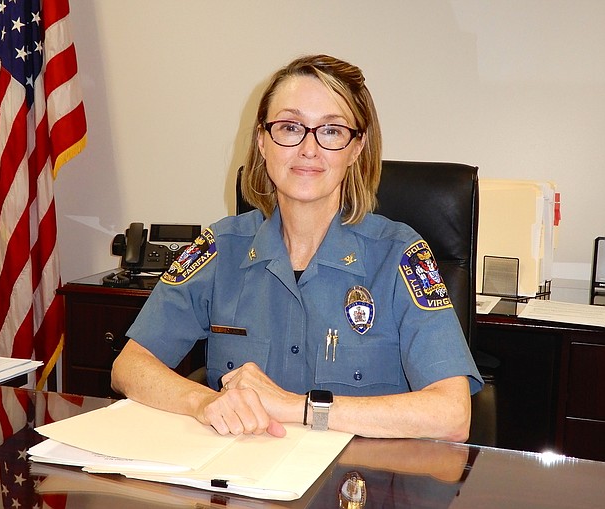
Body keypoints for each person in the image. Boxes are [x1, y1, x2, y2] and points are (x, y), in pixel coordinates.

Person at [111, 54, 483, 441]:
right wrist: (203, 403)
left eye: (332, 131)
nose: (308, 149)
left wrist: (298, 407)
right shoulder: (220, 248)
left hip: (358, 488)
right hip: (245, 483)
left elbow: (452, 414)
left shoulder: (402, 255)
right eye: (290, 127)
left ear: (356, 149)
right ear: (262, 140)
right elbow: (130, 366)